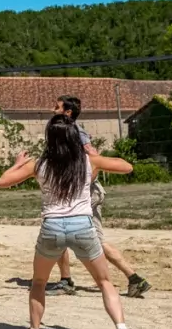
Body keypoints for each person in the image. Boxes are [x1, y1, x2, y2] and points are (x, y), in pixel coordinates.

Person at [0, 114, 141, 329]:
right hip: (82, 226)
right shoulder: (88, 161)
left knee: (39, 282)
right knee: (105, 282)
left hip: (52, 227)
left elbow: (3, 182)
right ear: (75, 137)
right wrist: (95, 154)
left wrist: (17, 163)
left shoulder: (39, 165)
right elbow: (127, 166)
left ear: (49, 138)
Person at [47, 96, 152, 298]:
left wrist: (84, 182)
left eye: (56, 107)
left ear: (68, 112)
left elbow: (93, 159)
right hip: (80, 194)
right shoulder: (63, 131)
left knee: (88, 239)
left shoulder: (75, 132)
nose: (53, 110)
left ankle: (133, 278)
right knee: (62, 235)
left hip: (86, 194)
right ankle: (66, 280)